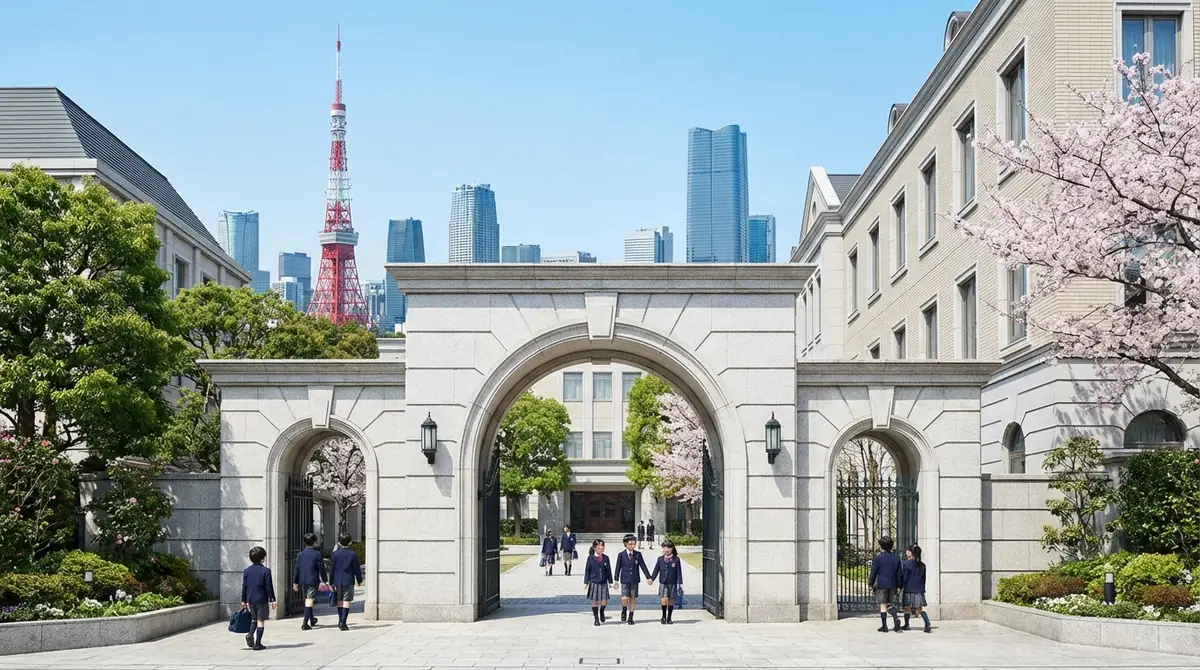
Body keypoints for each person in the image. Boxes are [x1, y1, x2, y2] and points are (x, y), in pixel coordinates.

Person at [240, 546, 276, 651]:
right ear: (262, 558)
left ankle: (250, 634)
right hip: (262, 599)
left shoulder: (247, 571)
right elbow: (269, 587)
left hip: (251, 599)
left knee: (253, 619)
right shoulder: (266, 571)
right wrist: (272, 599)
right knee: (261, 621)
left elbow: (244, 586)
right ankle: (258, 643)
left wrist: (243, 600)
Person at [291, 532, 328, 630]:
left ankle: (311, 619)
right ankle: (305, 622)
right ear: (315, 542)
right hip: (313, 579)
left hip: (303, 579)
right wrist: (325, 580)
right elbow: (321, 568)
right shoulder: (317, 554)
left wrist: (295, 582)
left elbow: (297, 569)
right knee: (309, 600)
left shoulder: (300, 554)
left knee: (308, 599)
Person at [867, 535, 903, 633]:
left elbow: (874, 572)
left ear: (881, 546)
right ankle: (895, 617)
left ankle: (884, 626)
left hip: (882, 584)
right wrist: (900, 585)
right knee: (889, 603)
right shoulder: (896, 558)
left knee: (883, 605)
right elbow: (899, 574)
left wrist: (870, 582)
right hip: (893, 584)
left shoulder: (878, 558)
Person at [614, 533, 651, 624]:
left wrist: (648, 577)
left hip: (634, 579)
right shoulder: (621, 555)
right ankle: (624, 609)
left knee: (633, 598)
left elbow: (643, 566)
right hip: (625, 579)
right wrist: (616, 580)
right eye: (630, 544)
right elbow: (618, 567)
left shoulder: (638, 554)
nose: (632, 546)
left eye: (634, 544)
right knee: (624, 597)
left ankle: (631, 616)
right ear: (625, 544)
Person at [329, 533, 363, 631]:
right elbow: (356, 568)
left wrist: (331, 581)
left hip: (337, 580)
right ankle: (343, 622)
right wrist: (359, 579)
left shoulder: (335, 554)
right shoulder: (352, 554)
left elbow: (332, 569)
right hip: (348, 580)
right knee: (346, 601)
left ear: (339, 542)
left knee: (340, 601)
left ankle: (340, 620)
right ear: (350, 542)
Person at [647, 539, 681, 625]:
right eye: (665, 548)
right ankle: (663, 616)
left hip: (672, 582)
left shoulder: (676, 559)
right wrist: (651, 578)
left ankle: (669, 617)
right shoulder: (660, 559)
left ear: (672, 548)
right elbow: (656, 570)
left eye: (669, 548)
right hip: (663, 582)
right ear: (662, 548)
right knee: (664, 599)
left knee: (671, 599)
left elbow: (679, 572)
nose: (667, 550)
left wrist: (679, 582)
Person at [901, 544, 932, 633]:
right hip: (919, 589)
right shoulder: (922, 565)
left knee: (907, 607)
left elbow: (905, 577)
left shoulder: (906, 564)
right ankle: (927, 623)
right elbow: (924, 579)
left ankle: (907, 624)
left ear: (911, 553)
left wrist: (901, 586)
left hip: (909, 588)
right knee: (920, 608)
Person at [583, 539, 614, 626]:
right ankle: (596, 619)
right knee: (595, 601)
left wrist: (610, 582)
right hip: (594, 582)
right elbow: (587, 570)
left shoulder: (606, 558)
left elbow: (609, 570)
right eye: (599, 547)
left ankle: (602, 611)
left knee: (604, 601)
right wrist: (586, 582)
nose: (601, 549)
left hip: (603, 582)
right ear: (594, 548)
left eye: (602, 547)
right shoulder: (590, 558)